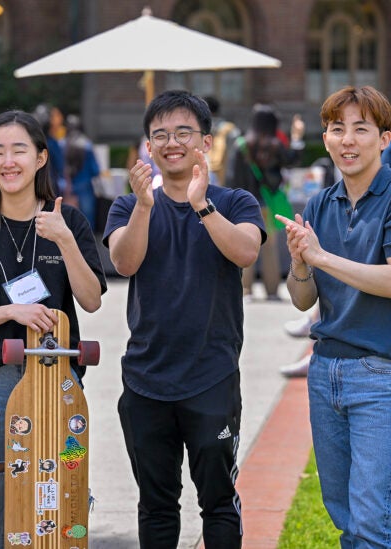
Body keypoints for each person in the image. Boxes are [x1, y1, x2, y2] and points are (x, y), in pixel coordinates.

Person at [0, 110, 106, 548]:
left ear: (42, 158)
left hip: (57, 385)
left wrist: (64, 239)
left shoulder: (70, 223)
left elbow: (91, 299)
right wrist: (12, 312)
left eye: (19, 150)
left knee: (56, 511)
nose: (8, 161)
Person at [276, 85, 391, 547]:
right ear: (325, 138)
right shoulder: (320, 204)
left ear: (385, 138)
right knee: (346, 516)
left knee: (371, 521)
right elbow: (302, 300)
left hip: (385, 372)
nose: (347, 140)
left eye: (360, 129)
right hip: (326, 369)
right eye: (336, 129)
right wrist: (302, 263)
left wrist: (322, 257)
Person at [103, 90, 265, 548]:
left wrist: (201, 204)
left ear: (206, 143)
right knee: (156, 507)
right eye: (160, 135)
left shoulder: (234, 202)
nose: (171, 142)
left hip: (211, 376)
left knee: (217, 502)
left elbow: (246, 251)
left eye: (182, 133)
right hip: (145, 379)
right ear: (147, 147)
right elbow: (124, 263)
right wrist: (144, 206)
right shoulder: (130, 205)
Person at [229, 104, 304, 301]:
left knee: (246, 246)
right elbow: (292, 161)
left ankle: (246, 290)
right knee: (270, 248)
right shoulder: (275, 145)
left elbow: (233, 177)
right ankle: (272, 292)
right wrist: (296, 137)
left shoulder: (241, 145)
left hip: (245, 203)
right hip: (267, 204)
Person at [63, 114, 101, 230]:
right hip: (85, 187)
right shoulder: (87, 145)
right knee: (87, 221)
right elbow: (95, 170)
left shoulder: (61, 144)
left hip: (66, 188)